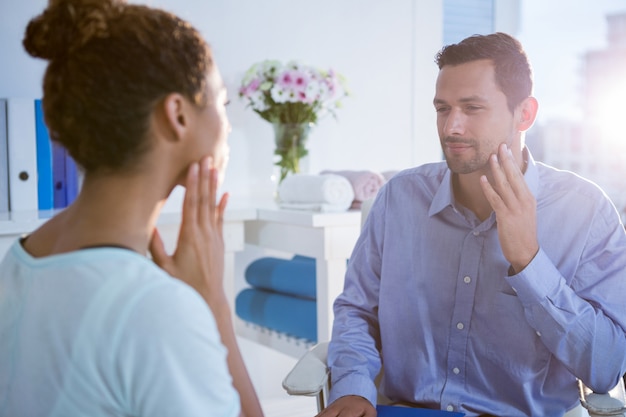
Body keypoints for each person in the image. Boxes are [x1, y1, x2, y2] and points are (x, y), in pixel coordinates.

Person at [322, 32, 626, 417]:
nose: (451, 127)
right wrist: (353, 388)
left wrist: (529, 263)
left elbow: (607, 367)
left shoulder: (586, 212)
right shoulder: (397, 198)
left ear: (525, 114)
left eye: (472, 108)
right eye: (442, 108)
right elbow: (357, 312)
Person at [0, 1, 263, 416]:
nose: (227, 126)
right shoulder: (154, 309)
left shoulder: (17, 261)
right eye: (222, 104)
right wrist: (212, 307)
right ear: (177, 114)